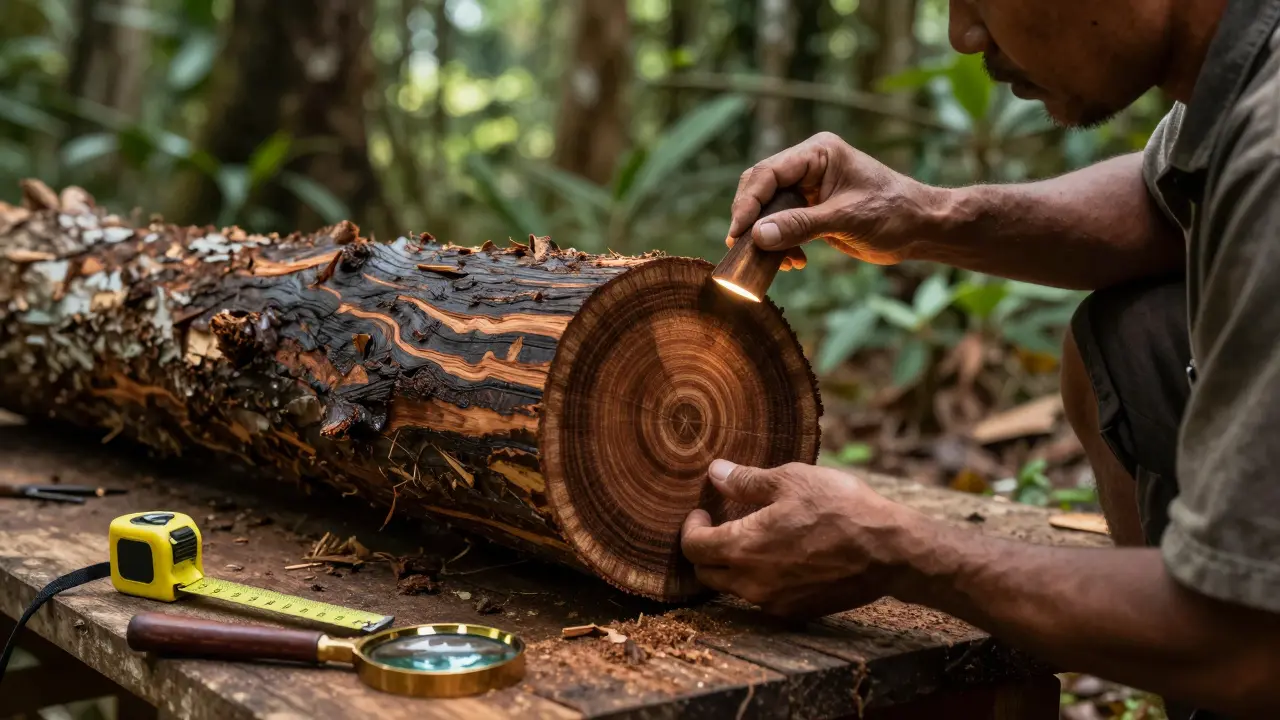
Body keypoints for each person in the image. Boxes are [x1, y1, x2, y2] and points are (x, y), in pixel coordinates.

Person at [681, 1, 1280, 717]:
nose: (962, 36)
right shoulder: (1241, 72)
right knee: (1129, 340)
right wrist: (924, 214)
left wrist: (896, 552)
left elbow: (1251, 639)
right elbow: (1160, 208)